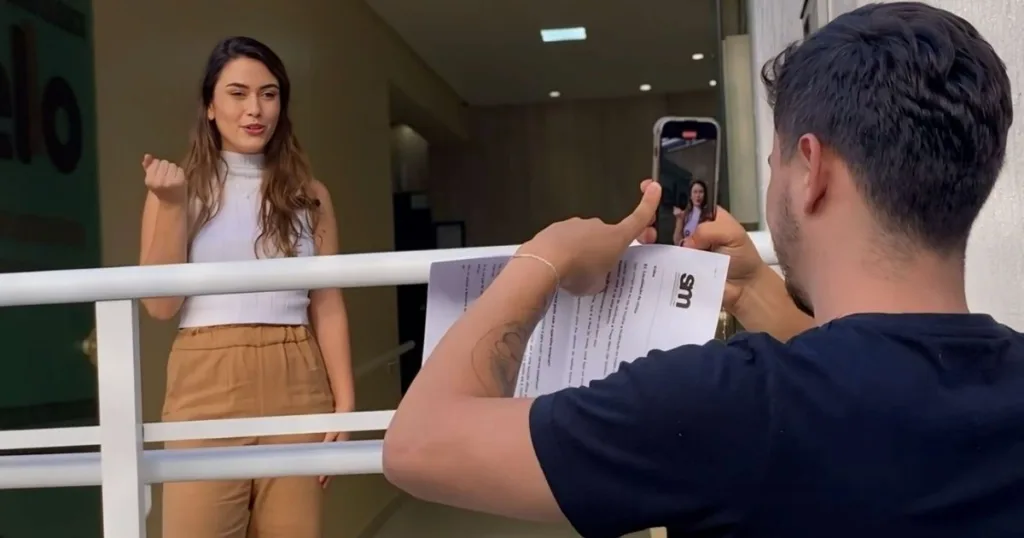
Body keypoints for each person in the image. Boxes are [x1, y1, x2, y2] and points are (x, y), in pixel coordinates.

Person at [381, 3, 1024, 537]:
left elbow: (418, 444)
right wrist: (758, 296)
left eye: (774, 163)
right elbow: (885, 390)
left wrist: (546, 257)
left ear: (812, 170)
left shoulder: (721, 404)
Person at [138, 36, 353, 538]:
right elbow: (160, 305)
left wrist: (345, 406)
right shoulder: (180, 188)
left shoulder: (310, 195)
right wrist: (171, 205)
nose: (255, 109)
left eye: (269, 94)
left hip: (298, 373)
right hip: (206, 374)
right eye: (237, 93)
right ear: (210, 106)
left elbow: (328, 302)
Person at [672, 178, 713, 245]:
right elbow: (677, 241)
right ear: (690, 196)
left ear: (705, 195)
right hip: (686, 250)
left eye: (701, 192)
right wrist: (679, 219)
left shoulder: (709, 216)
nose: (698, 195)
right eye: (695, 192)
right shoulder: (685, 214)